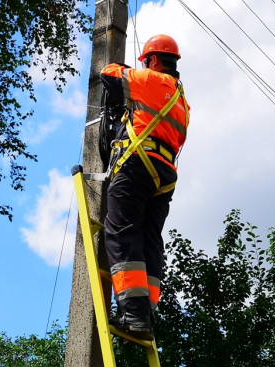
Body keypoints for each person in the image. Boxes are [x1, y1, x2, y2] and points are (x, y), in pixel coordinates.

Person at [100, 34, 190, 341]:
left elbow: (109, 73)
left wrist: (124, 68)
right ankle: (148, 312)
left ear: (152, 60)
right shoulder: (182, 100)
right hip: (165, 175)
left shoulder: (148, 79)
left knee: (121, 231)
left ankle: (134, 314)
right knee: (150, 240)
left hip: (138, 162)